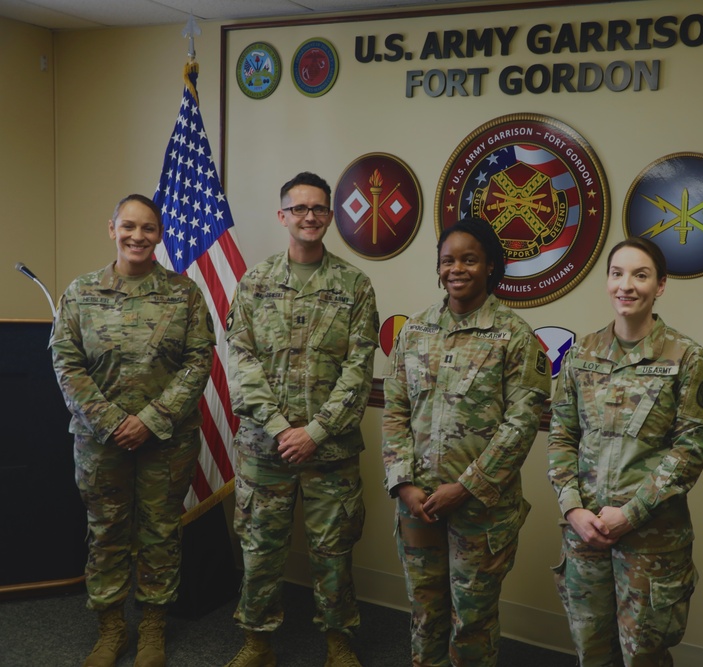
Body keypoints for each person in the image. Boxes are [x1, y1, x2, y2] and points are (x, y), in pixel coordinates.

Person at [50, 194, 215, 667]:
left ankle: (153, 629)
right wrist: (111, 421)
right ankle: (111, 629)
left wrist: (149, 421)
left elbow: (198, 361)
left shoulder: (184, 294)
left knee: (160, 533)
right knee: (106, 532)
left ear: (159, 234)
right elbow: (67, 364)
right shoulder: (81, 292)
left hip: (168, 440)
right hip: (100, 442)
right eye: (128, 226)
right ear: (112, 228)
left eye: (147, 228)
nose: (137, 236)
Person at [224, 172, 378, 667]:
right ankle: (257, 642)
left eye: (319, 209)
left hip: (329, 451)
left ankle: (338, 643)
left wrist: (312, 432)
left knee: (333, 555)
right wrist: (279, 428)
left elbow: (358, 371)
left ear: (330, 217)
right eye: (299, 208)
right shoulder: (255, 281)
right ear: (283, 216)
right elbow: (241, 359)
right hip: (263, 450)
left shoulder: (355, 285)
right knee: (260, 550)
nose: (309, 216)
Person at [382, 217, 551, 666]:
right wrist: (403, 484)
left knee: (472, 618)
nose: (457, 269)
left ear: (491, 266)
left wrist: (466, 486)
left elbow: (521, 424)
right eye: (448, 260)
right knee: (424, 611)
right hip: (417, 504)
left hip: (480, 509)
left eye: (469, 259)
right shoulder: (415, 330)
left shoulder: (515, 336)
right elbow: (395, 409)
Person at [547, 237, 703, 667]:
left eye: (640, 275)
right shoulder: (582, 354)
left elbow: (690, 449)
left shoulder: (688, 358)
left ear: (660, 285)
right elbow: (562, 436)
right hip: (584, 534)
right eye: (617, 274)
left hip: (650, 541)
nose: (626, 285)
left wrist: (632, 512)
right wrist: (572, 509)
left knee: (643, 655)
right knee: (591, 651)